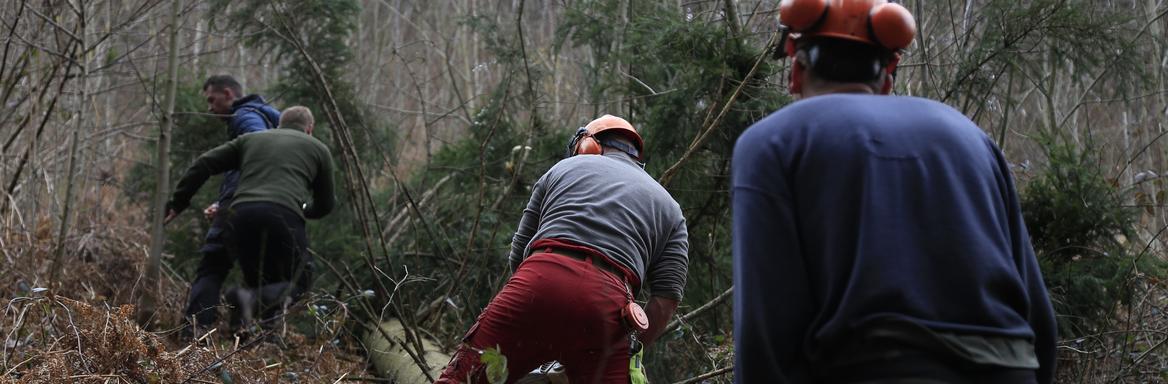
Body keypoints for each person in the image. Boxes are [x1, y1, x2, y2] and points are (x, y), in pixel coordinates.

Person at [731, 1, 1056, 383]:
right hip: (1011, 370)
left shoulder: (772, 141)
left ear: (796, 72)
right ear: (887, 77)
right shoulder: (968, 136)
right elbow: (1039, 316)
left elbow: (765, 322)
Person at [437, 115, 690, 383]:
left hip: (539, 277)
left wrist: (532, 315)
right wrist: (630, 346)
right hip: (609, 305)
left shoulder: (560, 170)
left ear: (587, 145)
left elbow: (519, 251)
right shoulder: (671, 207)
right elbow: (666, 300)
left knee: (462, 377)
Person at [166, 106, 334, 334]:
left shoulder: (251, 139)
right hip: (283, 216)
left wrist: (178, 201)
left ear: (279, 124)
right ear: (310, 128)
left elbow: (204, 163)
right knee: (299, 284)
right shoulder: (318, 149)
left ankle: (249, 336)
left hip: (239, 216)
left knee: (259, 281)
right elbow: (325, 205)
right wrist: (304, 209)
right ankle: (250, 309)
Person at [182, 75, 282, 335]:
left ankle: (193, 337)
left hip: (242, 203)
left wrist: (232, 199)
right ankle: (262, 340)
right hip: (271, 204)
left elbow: (258, 147)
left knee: (212, 267)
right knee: (261, 272)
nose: (210, 108)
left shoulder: (245, 117)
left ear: (228, 94)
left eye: (211, 100)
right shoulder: (270, 118)